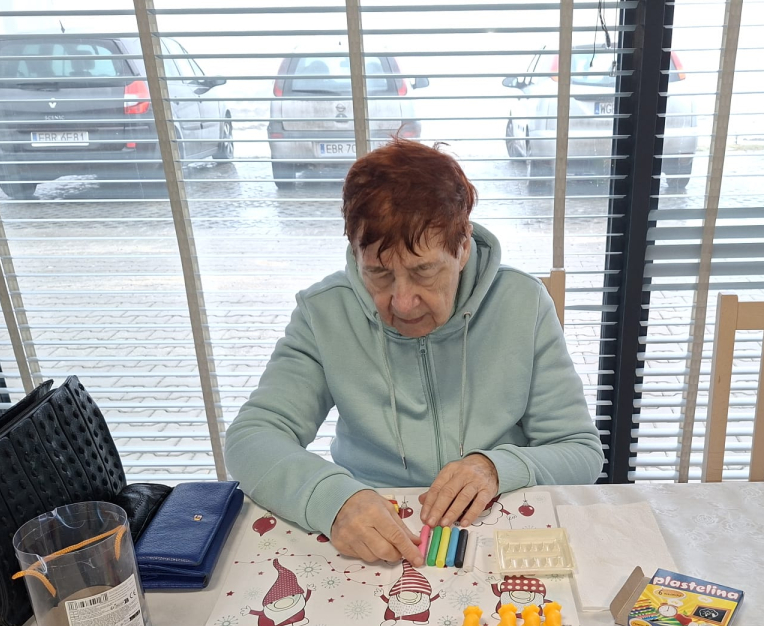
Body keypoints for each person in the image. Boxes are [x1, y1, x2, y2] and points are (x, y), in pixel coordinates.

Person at [225, 140, 602, 565]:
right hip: (371, 526)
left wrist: (496, 467)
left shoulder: (523, 302)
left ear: (462, 247)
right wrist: (331, 498)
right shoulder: (324, 311)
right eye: (378, 274)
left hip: (498, 524)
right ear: (356, 255)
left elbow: (580, 451)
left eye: (424, 271)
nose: (403, 303)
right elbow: (251, 438)